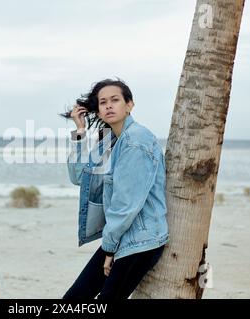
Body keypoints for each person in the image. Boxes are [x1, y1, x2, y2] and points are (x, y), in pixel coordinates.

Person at [60, 78, 169, 299]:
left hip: (141, 242)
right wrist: (79, 131)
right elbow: (78, 176)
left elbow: (126, 204)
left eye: (115, 100)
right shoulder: (109, 142)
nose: (108, 105)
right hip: (121, 237)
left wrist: (109, 250)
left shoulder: (136, 140)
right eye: (103, 102)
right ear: (98, 111)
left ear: (129, 105)